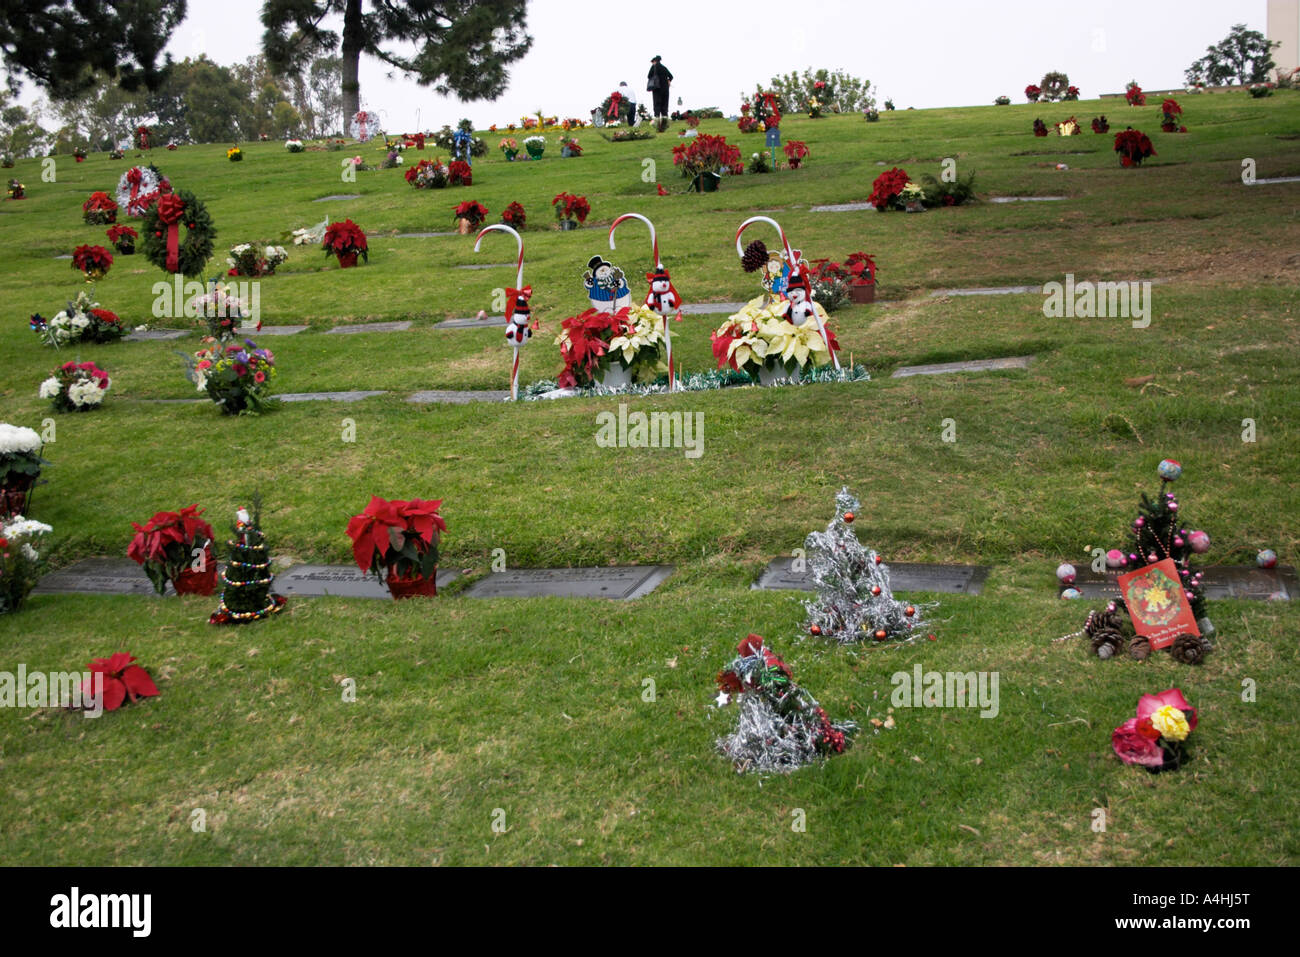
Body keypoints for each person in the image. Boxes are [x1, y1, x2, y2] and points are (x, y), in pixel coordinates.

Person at [647, 55, 673, 131]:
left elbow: (648, 76)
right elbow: (671, 76)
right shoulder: (664, 67)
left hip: (657, 88)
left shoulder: (654, 67)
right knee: (665, 104)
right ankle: (665, 119)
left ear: (654, 61)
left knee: (657, 103)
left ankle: (657, 119)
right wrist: (668, 80)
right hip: (665, 89)